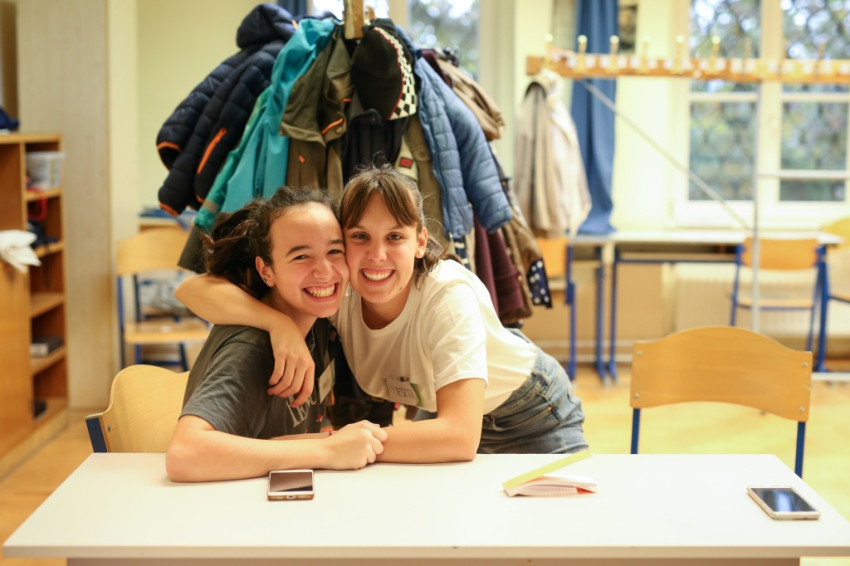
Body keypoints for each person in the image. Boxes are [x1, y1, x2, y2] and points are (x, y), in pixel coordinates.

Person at [176, 165, 588, 463]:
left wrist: (332, 445)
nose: (376, 255)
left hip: (529, 412)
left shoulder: (447, 295)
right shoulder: (339, 286)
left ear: (420, 242)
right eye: (359, 237)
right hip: (441, 412)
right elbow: (190, 289)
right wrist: (277, 324)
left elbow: (459, 436)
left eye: (394, 237)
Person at [166, 186, 386, 483]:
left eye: (335, 251)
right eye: (301, 256)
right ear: (266, 270)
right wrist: (327, 450)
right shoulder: (252, 347)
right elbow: (184, 454)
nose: (324, 271)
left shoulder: (316, 320)